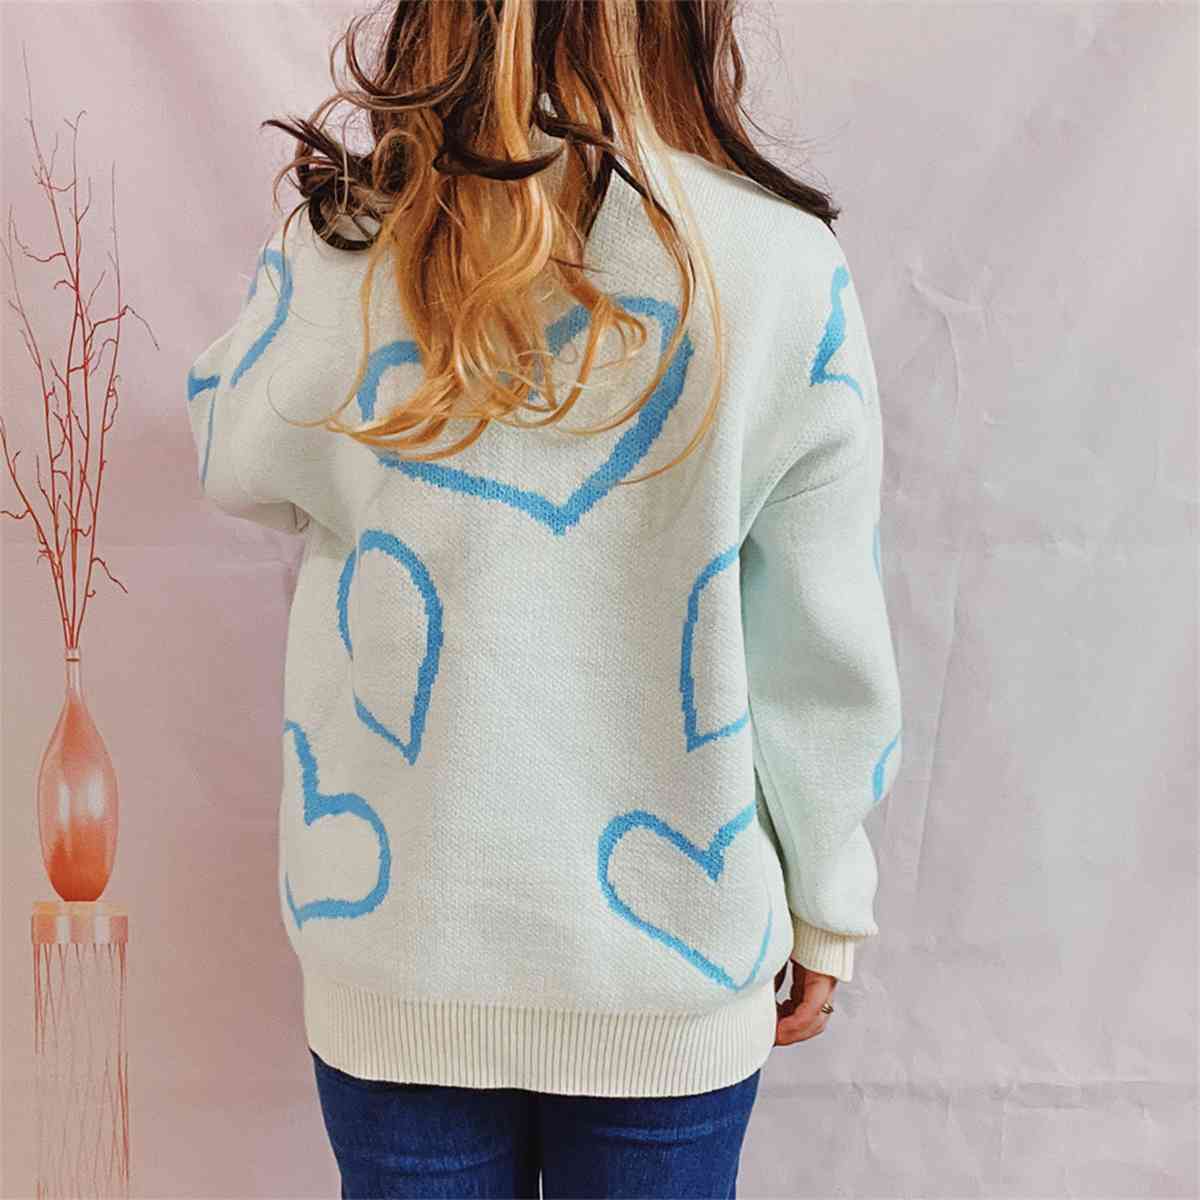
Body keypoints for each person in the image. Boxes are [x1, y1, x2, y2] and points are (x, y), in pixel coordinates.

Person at [184, 1, 904, 1196]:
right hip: (672, 962)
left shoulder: (350, 247)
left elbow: (231, 453)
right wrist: (829, 898)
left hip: (400, 954)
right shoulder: (778, 267)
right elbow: (819, 645)